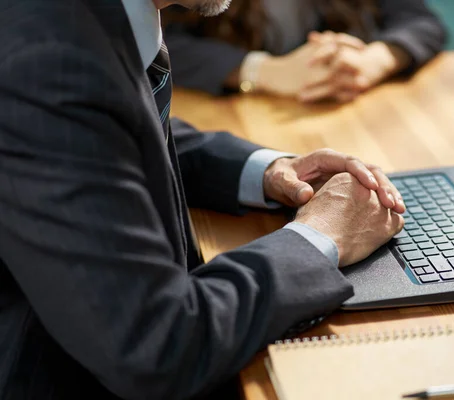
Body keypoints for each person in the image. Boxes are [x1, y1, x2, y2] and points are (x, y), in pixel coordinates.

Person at [0, 0, 406, 399]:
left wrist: (265, 171)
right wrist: (319, 236)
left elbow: (115, 130)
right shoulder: (47, 65)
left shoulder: (93, 20)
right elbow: (157, 346)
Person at [163, 0, 447, 102]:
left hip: (343, 109)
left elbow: (421, 21)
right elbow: (163, 41)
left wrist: (374, 60)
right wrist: (262, 71)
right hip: (247, 118)